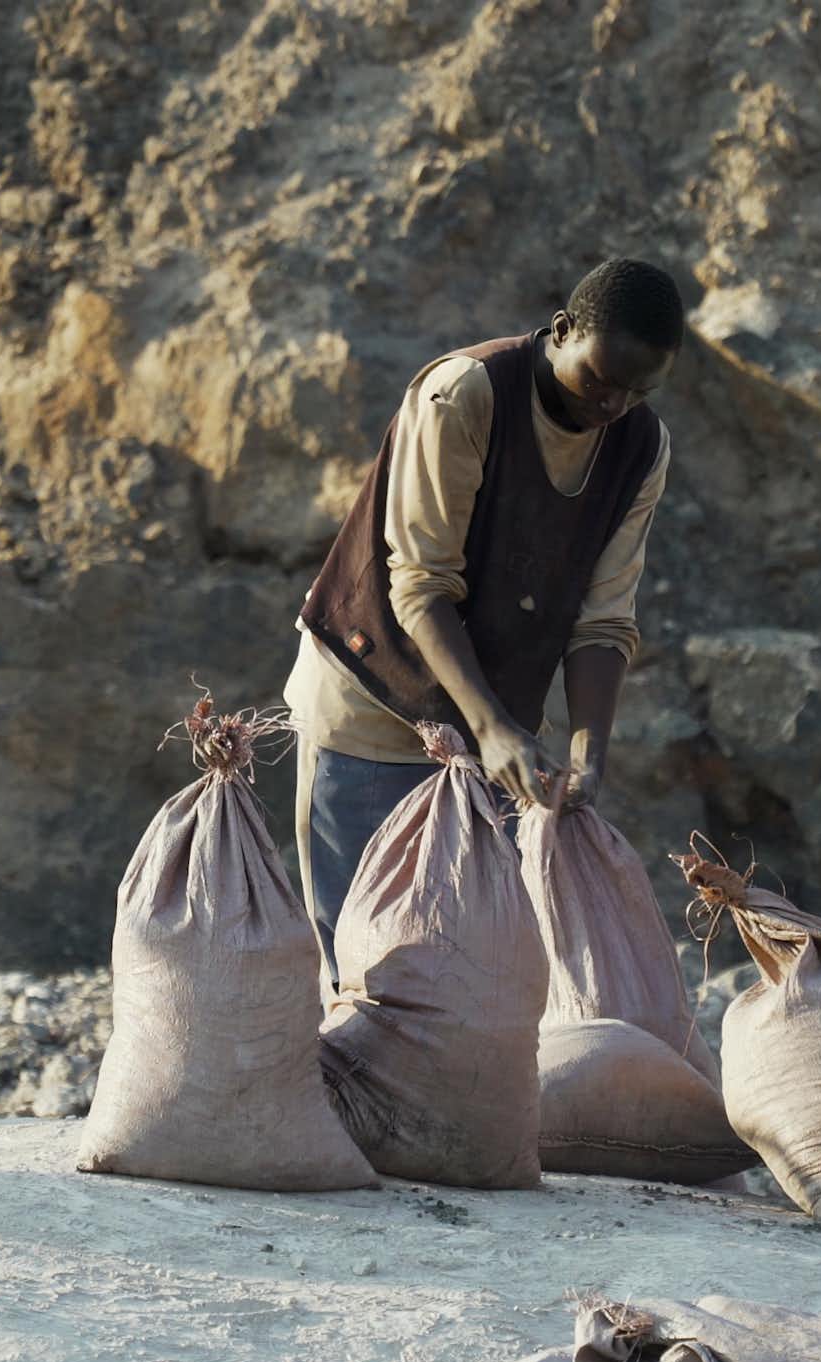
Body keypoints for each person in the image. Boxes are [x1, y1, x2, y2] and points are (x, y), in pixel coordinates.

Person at [285, 258, 684, 987]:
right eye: (599, 379)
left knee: (470, 983)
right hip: (375, 714)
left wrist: (589, 748)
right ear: (562, 332)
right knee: (365, 979)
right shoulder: (467, 394)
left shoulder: (640, 448)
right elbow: (420, 585)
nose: (612, 405)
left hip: (489, 734)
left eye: (636, 390)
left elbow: (604, 618)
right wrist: (495, 728)